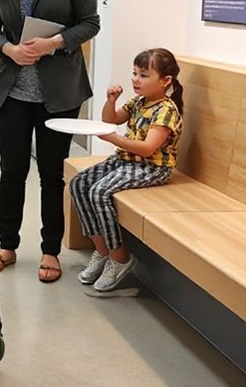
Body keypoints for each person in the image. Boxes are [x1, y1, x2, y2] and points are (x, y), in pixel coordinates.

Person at [0, 0, 100, 283]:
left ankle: (51, 250)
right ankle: (7, 245)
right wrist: (9, 49)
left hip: (59, 92)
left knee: (52, 174)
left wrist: (55, 42)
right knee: (11, 171)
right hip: (13, 90)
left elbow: (90, 23)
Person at [71, 49, 184, 292]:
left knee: (99, 192)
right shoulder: (139, 101)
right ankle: (101, 251)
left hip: (152, 168)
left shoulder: (166, 110)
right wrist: (110, 101)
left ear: (166, 81)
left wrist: (114, 139)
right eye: (134, 73)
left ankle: (119, 257)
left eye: (144, 75)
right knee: (79, 184)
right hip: (127, 161)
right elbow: (111, 120)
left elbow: (147, 149)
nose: (135, 79)